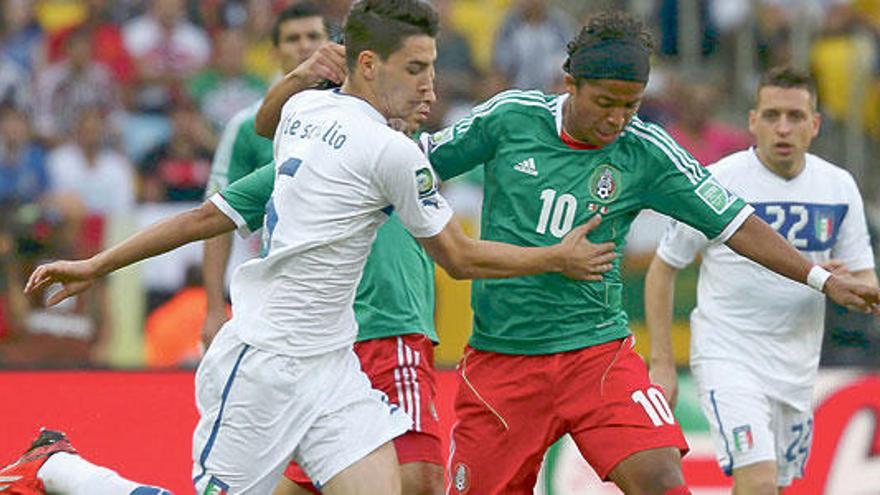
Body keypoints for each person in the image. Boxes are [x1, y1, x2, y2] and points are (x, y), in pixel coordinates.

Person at [263, 11, 880, 494]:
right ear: (570, 84)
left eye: (630, 105)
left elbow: (735, 222)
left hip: (598, 355)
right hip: (503, 362)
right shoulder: (509, 119)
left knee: (661, 476)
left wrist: (822, 279)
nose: (617, 119)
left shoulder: (648, 152)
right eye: (604, 102)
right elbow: (409, 165)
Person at [24, 1, 616, 493]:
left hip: (333, 365)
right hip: (265, 361)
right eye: (414, 69)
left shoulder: (304, 111)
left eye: (433, 67)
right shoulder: (390, 152)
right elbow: (458, 259)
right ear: (366, 64)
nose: (430, 86)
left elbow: (215, 209)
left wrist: (96, 263)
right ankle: (58, 469)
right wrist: (556, 257)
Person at [644, 67, 878, 495]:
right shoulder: (719, 182)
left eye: (794, 116)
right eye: (772, 116)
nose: (783, 128)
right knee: (759, 478)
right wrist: (661, 361)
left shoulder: (838, 187)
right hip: (727, 353)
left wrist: (856, 287)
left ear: (815, 124)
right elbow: (663, 266)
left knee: (772, 486)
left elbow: (865, 279)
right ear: (752, 122)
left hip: (797, 364)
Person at [202, 2, 332, 347]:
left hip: (351, 286)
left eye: (313, 36)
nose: (304, 46)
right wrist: (214, 308)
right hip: (279, 291)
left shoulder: (366, 115)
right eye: (293, 39)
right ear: (274, 51)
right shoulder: (247, 126)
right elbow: (216, 216)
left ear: (331, 44)